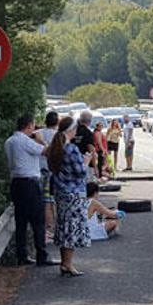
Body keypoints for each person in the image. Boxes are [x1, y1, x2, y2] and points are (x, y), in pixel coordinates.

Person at [4, 114, 58, 267]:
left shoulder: (9, 141)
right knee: (37, 221)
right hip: (30, 183)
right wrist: (41, 140)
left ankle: (22, 255)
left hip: (16, 183)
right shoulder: (26, 141)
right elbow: (47, 152)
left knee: (20, 221)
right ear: (28, 126)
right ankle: (42, 255)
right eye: (33, 126)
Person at [48, 116, 92, 277]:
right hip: (73, 193)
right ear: (71, 131)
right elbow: (80, 172)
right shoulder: (71, 148)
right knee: (72, 228)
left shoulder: (55, 147)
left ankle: (64, 262)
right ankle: (68, 263)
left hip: (60, 192)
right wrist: (86, 161)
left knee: (63, 226)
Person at [39, 111, 60, 242]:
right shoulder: (58, 136)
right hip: (52, 172)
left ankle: (47, 229)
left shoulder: (38, 133)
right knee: (51, 202)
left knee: (44, 202)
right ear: (57, 122)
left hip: (39, 170)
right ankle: (51, 230)